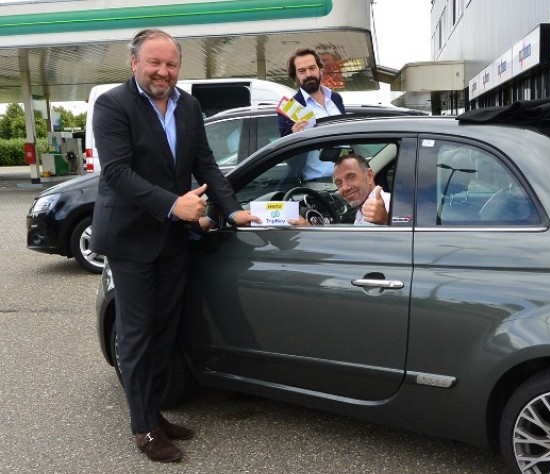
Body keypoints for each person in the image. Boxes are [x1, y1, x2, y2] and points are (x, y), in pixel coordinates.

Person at [90, 28, 260, 463]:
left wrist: (233, 209)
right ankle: (144, 428)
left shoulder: (188, 105)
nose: (163, 71)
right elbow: (117, 173)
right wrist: (173, 204)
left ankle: (155, 413)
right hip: (131, 239)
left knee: (165, 332)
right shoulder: (113, 105)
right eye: (154, 62)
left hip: (172, 239)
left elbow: (205, 162)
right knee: (138, 335)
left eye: (171, 64)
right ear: (134, 63)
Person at [277, 48, 346, 181]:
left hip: (348, 176)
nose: (308, 74)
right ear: (295, 76)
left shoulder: (335, 98)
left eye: (312, 68)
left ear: (320, 70)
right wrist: (294, 138)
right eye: (302, 71)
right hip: (319, 183)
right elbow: (291, 161)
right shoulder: (289, 110)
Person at [289, 154, 389, 226]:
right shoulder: (361, 210)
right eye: (339, 183)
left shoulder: (388, 204)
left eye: (351, 177)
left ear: (369, 176)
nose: (345, 187)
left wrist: (385, 220)